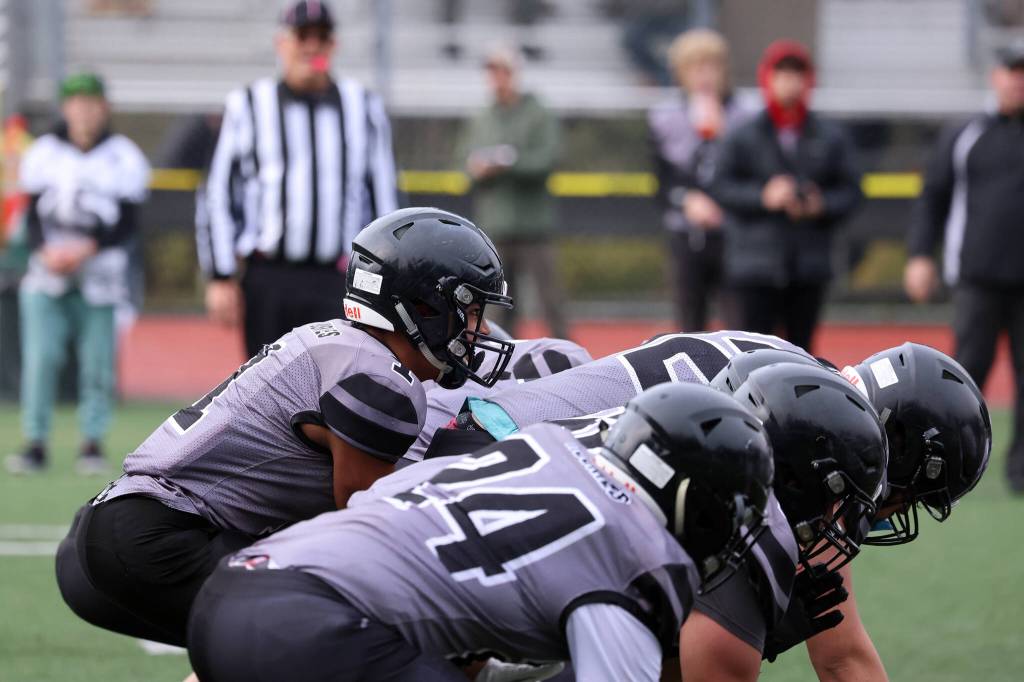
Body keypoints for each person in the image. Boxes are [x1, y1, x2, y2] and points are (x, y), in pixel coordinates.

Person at [54, 208, 514, 647]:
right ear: (424, 307)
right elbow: (369, 528)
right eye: (472, 310)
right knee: (341, 630)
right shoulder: (378, 381)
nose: (480, 331)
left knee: (273, 644)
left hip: (129, 526)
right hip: (160, 538)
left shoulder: (342, 345)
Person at [187, 382, 775, 682]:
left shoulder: (548, 444)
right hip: (315, 628)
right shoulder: (639, 554)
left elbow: (380, 504)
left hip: (233, 592)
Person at [677, 346, 990, 682]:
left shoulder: (800, 387)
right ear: (897, 446)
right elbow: (842, 658)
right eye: (910, 497)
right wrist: (742, 626)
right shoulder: (807, 435)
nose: (901, 509)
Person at [201, 0, 398, 358]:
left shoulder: (363, 106)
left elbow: (384, 201)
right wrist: (220, 275)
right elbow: (218, 193)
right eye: (302, 36)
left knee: (338, 384)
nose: (312, 46)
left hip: (337, 278)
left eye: (321, 37)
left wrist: (386, 279)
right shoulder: (248, 104)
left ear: (333, 45)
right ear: (282, 43)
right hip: (268, 276)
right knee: (265, 385)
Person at [5, 73, 150, 475]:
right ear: (66, 108)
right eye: (76, 103)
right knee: (41, 358)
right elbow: (32, 215)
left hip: (100, 274)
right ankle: (35, 443)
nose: (83, 112)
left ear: (104, 107)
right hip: (46, 273)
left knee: (97, 363)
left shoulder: (124, 156)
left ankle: (91, 443)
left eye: (91, 103)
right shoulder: (44, 152)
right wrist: (46, 251)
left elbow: (128, 222)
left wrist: (87, 249)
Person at [903, 43, 1024, 493]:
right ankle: (948, 465)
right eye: (1012, 71)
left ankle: (1021, 473)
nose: (1018, 81)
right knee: (963, 378)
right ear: (996, 77)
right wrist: (920, 255)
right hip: (977, 279)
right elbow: (932, 198)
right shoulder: (965, 134)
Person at [711, 40, 862, 352]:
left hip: (808, 264)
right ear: (767, 78)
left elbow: (852, 191)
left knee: (801, 354)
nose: (790, 83)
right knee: (750, 353)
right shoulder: (743, 135)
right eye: (782, 74)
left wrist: (820, 204)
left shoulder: (830, 136)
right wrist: (763, 197)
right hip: (754, 264)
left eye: (797, 74)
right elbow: (721, 186)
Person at [648, 29, 755, 332]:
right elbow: (662, 181)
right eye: (695, 67)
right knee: (689, 323)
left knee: (740, 322)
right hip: (687, 235)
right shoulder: (665, 117)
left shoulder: (747, 116)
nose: (704, 75)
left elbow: (752, 172)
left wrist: (723, 137)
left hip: (736, 235)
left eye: (712, 66)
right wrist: (686, 199)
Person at [459, 45, 568, 339]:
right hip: (496, 227)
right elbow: (464, 164)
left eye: (503, 71)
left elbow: (547, 159)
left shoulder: (538, 113)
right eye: (492, 71)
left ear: (514, 73)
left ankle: (569, 354)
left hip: (534, 226)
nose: (497, 78)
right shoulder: (482, 117)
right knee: (497, 304)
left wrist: (508, 163)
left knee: (550, 300)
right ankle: (499, 356)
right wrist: (477, 168)